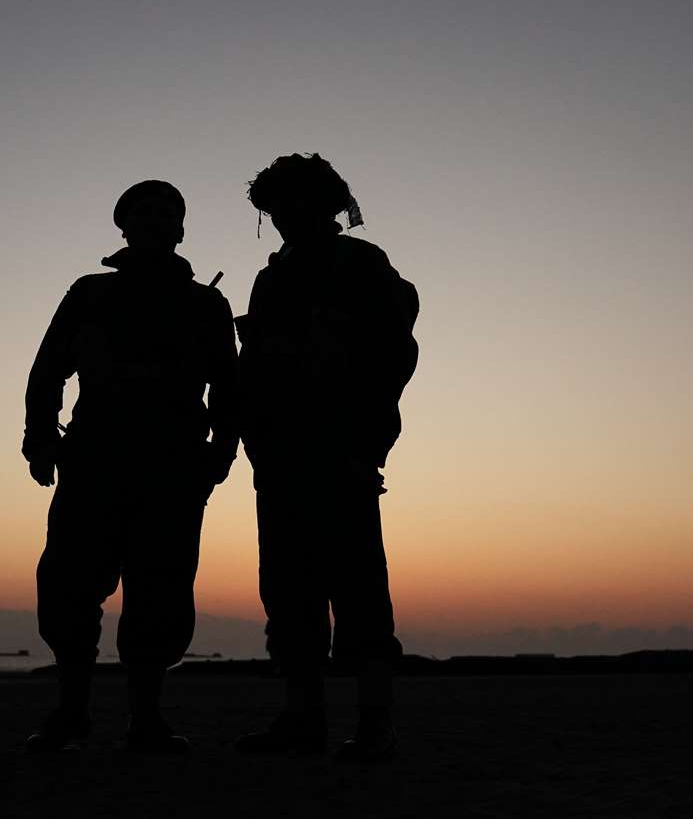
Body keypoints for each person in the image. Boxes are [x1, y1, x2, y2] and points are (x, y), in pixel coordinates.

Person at [21, 180, 238, 754]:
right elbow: (48, 372)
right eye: (143, 212)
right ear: (123, 224)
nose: (157, 221)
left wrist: (223, 449)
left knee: (161, 593)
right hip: (93, 461)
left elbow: (229, 386)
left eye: (169, 212)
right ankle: (71, 712)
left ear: (182, 228)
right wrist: (39, 440)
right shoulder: (89, 294)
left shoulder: (205, 305)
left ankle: (147, 719)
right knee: (69, 588)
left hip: (173, 469)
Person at [232, 154, 419, 763]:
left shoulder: (362, 264)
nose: (286, 215)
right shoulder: (271, 276)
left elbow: (393, 355)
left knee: (359, 590)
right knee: (288, 590)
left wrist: (364, 442)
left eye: (297, 202)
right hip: (280, 457)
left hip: (341, 452)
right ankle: (303, 717)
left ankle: (373, 724)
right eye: (277, 205)